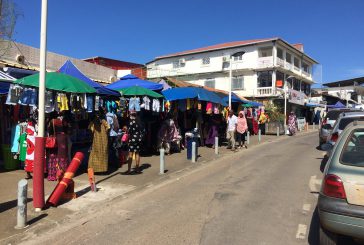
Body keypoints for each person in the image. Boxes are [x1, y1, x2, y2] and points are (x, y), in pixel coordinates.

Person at [47, 113, 70, 181]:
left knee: (53, 156)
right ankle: (62, 175)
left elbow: (50, 131)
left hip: (54, 140)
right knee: (62, 156)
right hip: (63, 140)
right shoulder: (65, 119)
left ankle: (53, 175)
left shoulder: (52, 121)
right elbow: (68, 129)